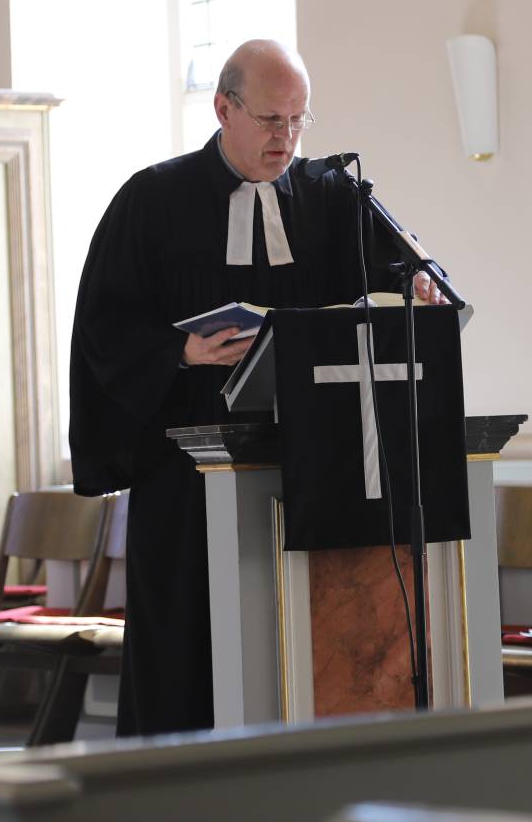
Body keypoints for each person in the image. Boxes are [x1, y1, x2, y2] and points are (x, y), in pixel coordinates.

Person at [68, 39, 437, 735]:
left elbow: (396, 268)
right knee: (187, 644)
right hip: (186, 470)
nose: (286, 138)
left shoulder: (330, 195)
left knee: (303, 639)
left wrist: (414, 283)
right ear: (222, 109)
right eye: (271, 120)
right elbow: (103, 324)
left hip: (312, 464)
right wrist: (180, 349)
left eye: (299, 121)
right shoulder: (152, 199)